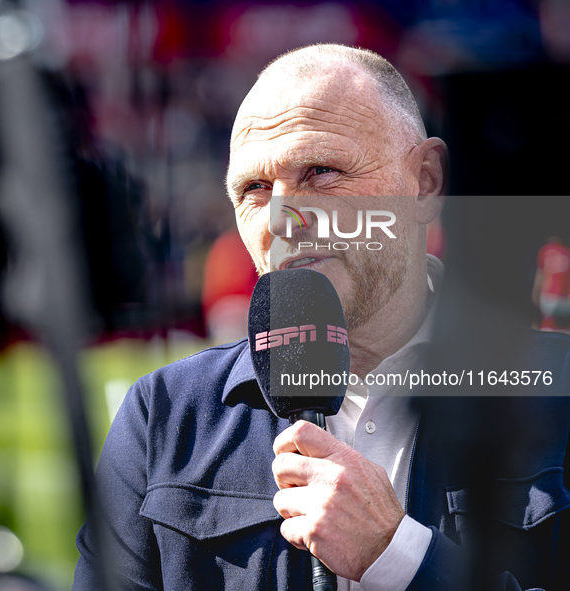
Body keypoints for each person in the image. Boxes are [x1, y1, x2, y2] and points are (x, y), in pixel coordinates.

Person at [73, 44, 570, 591]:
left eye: (321, 172)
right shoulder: (164, 417)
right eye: (255, 189)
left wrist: (399, 556)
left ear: (425, 182)